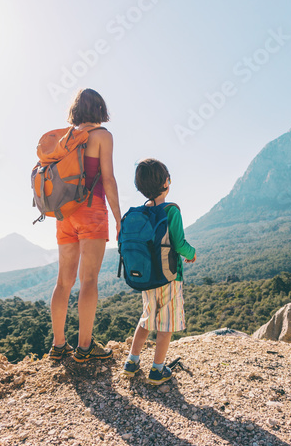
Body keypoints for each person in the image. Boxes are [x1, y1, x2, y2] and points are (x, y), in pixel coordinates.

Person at [47, 89, 123, 363]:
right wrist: (117, 216)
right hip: (92, 211)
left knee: (63, 282)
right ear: (100, 109)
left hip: (65, 213)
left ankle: (58, 345)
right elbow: (108, 178)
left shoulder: (66, 138)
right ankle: (85, 347)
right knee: (88, 280)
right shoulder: (102, 136)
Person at [122, 159, 196, 385]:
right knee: (166, 325)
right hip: (170, 278)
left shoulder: (139, 214)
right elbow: (179, 243)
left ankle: (131, 363)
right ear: (167, 183)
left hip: (147, 279)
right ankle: (157, 370)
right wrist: (191, 253)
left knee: (146, 319)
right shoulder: (170, 211)